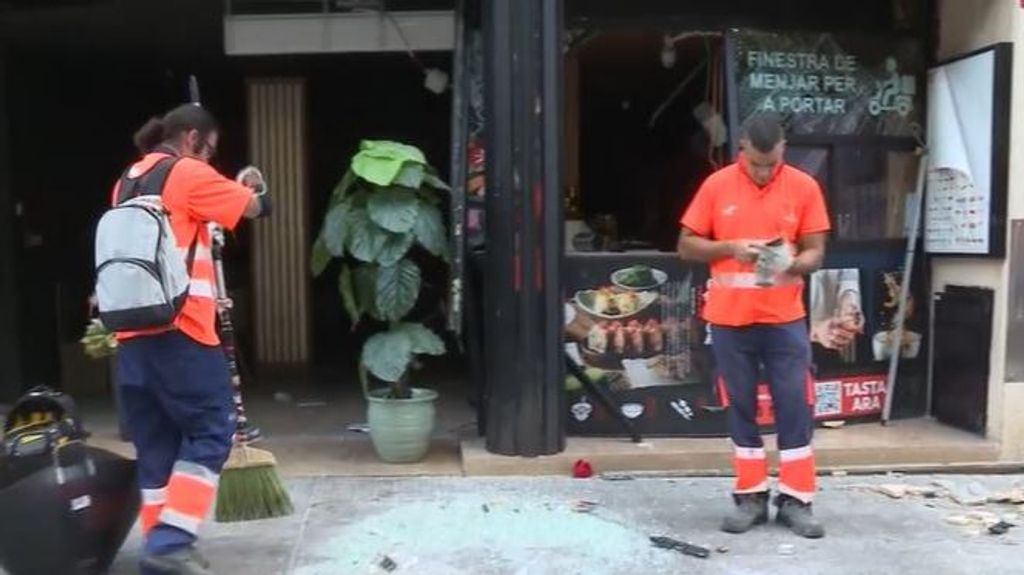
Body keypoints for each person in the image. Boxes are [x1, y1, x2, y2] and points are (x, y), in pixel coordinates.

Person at [111, 104, 270, 574]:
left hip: (132, 338)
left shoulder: (126, 181)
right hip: (182, 334)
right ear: (192, 138)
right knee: (213, 431)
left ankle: (158, 547)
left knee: (156, 446)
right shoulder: (187, 174)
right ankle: (171, 541)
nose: (209, 159)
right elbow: (257, 208)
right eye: (210, 150)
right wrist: (252, 185)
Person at [677, 112, 829, 539]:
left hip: (784, 320)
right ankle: (751, 497)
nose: (763, 171)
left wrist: (796, 262)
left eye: (772, 163)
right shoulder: (717, 185)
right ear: (741, 147)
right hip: (729, 320)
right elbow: (685, 245)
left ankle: (797, 501)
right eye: (756, 163)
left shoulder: (803, 186)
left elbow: (817, 249)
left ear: (783, 150)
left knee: (793, 406)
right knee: (740, 406)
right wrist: (729, 247)